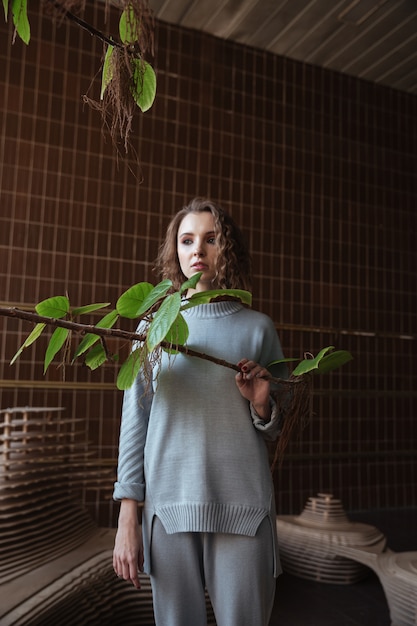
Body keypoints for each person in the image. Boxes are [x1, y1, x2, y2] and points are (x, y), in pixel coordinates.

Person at [113, 197, 287, 626]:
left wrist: (262, 403)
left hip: (244, 510)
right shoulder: (153, 327)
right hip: (168, 510)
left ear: (226, 249)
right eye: (187, 240)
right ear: (175, 251)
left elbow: (276, 428)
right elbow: (135, 422)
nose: (197, 250)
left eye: (211, 239)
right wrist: (127, 514)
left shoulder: (257, 328)